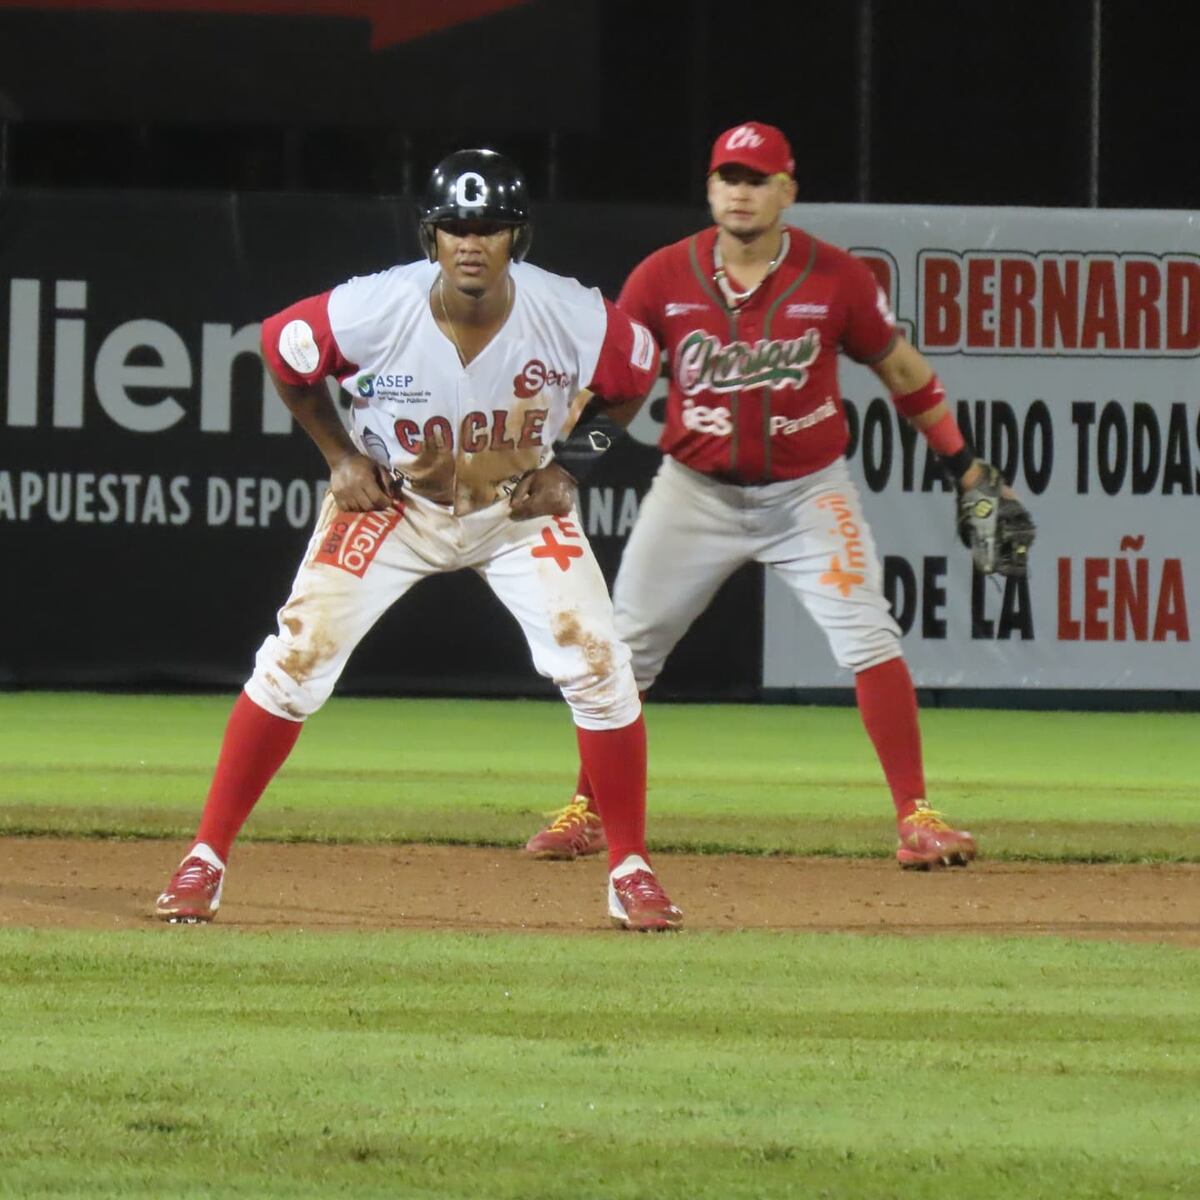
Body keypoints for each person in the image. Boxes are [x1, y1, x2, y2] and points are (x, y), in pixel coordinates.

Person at [154, 148, 682, 931]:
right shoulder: (376, 306)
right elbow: (279, 347)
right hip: (395, 503)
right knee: (296, 658)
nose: (472, 243)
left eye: (491, 227)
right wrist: (339, 457)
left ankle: (631, 868)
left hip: (515, 510)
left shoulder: (571, 312)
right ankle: (205, 857)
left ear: (517, 240)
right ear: (430, 237)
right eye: (456, 228)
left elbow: (636, 381)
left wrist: (575, 463)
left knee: (601, 660)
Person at [524, 121, 1034, 869]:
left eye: (757, 178)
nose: (741, 191)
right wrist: (571, 467)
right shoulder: (662, 277)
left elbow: (900, 371)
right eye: (729, 176)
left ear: (787, 192)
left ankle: (916, 815)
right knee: (621, 651)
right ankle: (585, 809)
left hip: (807, 495)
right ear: (709, 189)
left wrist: (964, 466)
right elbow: (622, 393)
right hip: (694, 494)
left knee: (869, 636)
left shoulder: (836, 277)